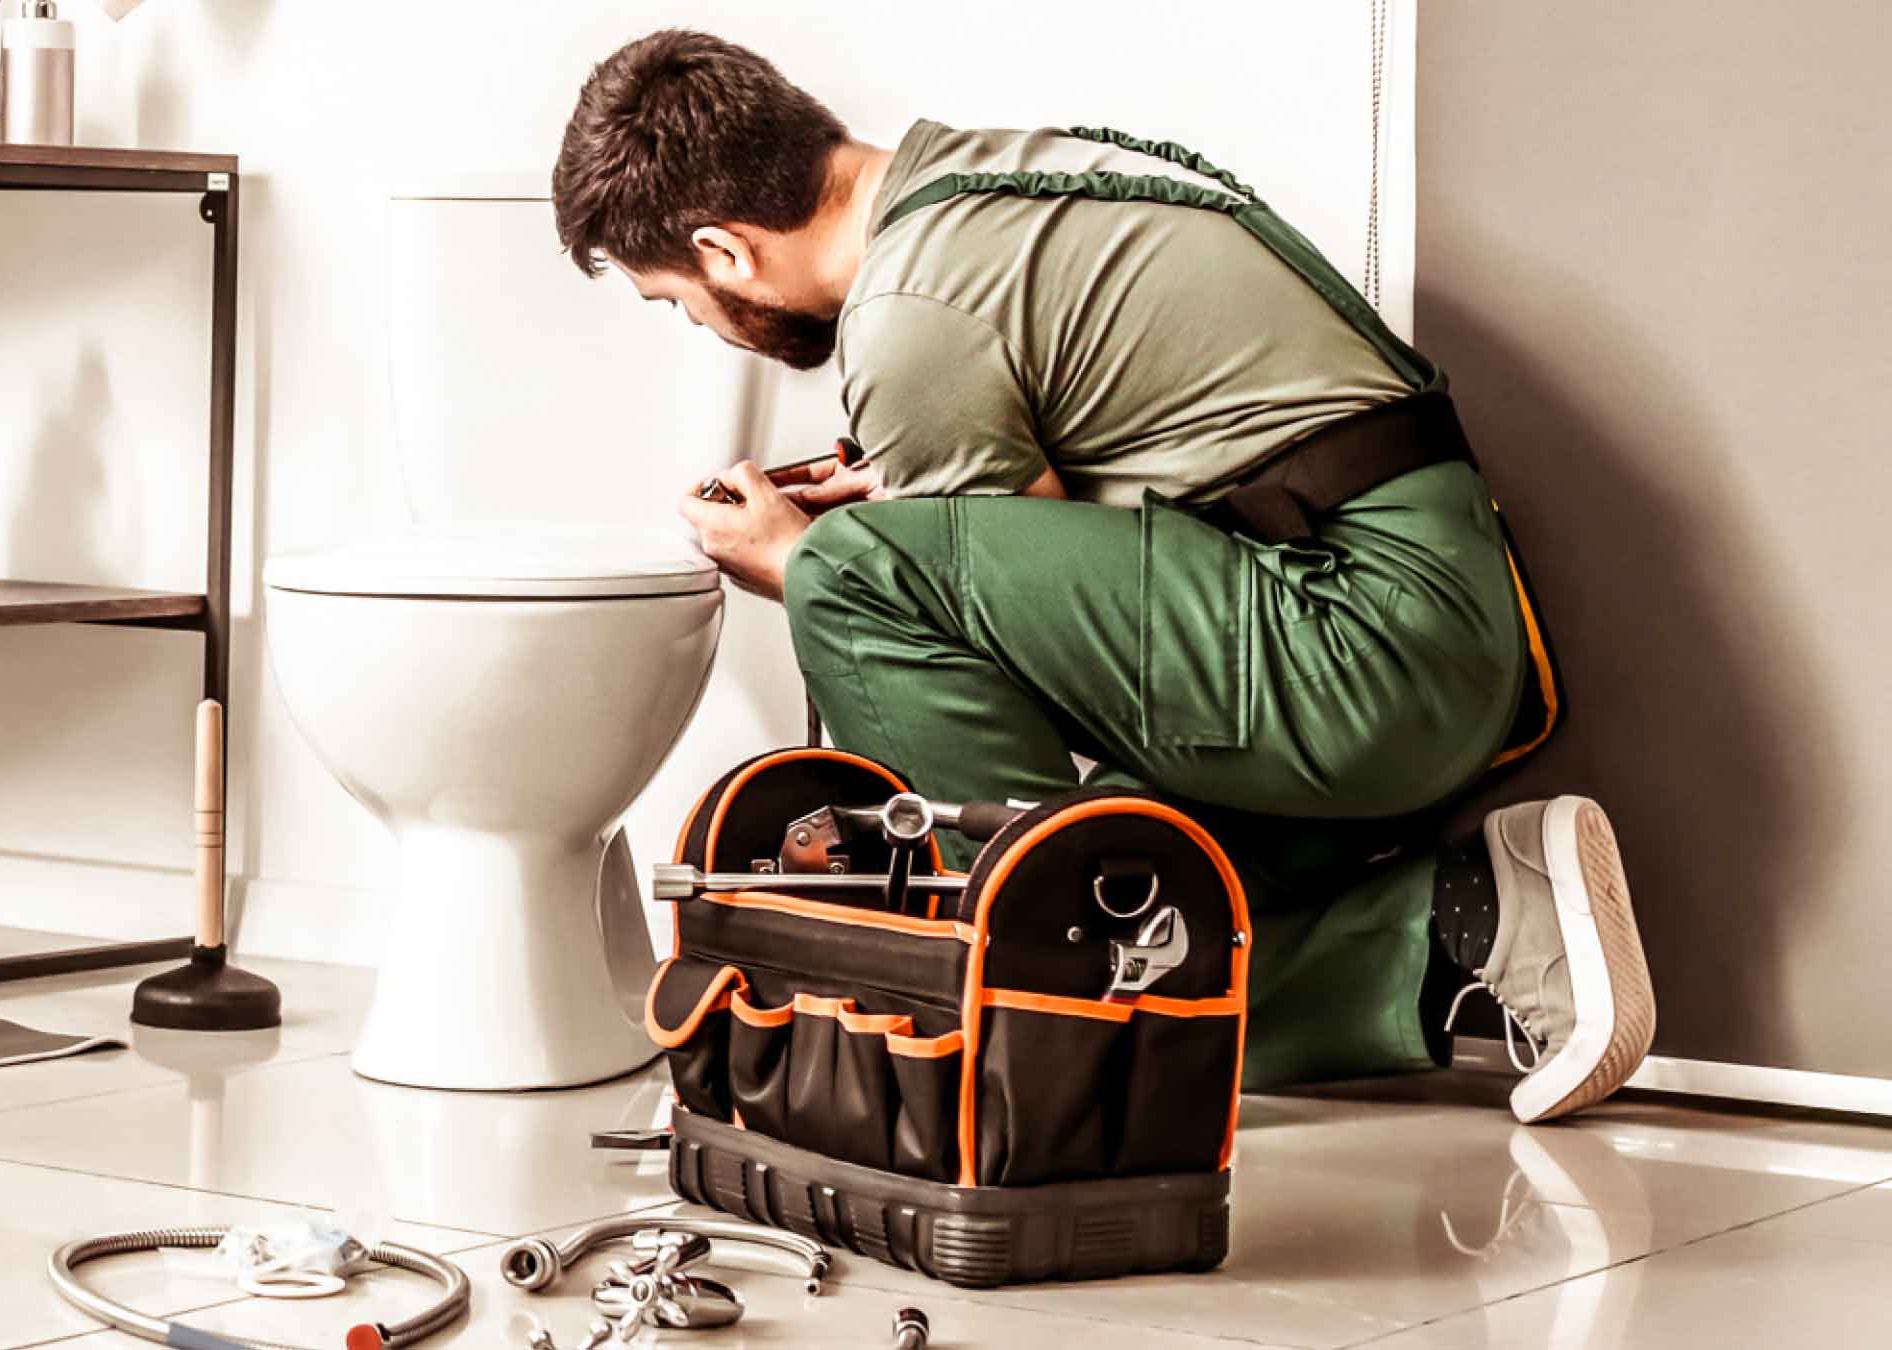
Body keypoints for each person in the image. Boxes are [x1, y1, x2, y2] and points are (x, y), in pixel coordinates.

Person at [550, 29, 1657, 1123]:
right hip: (1423, 628)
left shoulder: (909, 322)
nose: (702, 326)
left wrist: (798, 563)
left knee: (856, 579)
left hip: (1360, 655)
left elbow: (988, 635)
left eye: (675, 300)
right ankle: (1473, 916)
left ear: (724, 248)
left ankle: (1029, 1012)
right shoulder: (997, 176)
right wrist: (913, 509)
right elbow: (1076, 545)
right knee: (1155, 929)